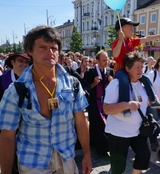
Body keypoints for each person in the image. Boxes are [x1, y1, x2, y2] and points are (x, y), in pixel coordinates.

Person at [0, 25, 92, 173]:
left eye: (54, 48)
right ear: (30, 51)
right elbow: (7, 136)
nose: (50, 52)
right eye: (42, 47)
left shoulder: (73, 84)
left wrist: (87, 154)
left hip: (66, 158)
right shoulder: (17, 90)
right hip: (33, 162)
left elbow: (81, 122)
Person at [103, 52, 151, 174]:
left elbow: (143, 101)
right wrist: (127, 105)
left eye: (142, 66)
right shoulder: (116, 84)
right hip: (119, 133)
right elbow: (106, 109)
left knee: (145, 154)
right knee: (118, 167)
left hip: (138, 130)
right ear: (127, 68)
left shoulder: (142, 83)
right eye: (137, 67)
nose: (141, 70)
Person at [112, 17, 160, 117]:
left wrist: (159, 36)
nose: (133, 30)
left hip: (132, 69)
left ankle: (153, 100)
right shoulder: (116, 42)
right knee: (123, 80)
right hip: (121, 69)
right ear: (122, 29)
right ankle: (125, 107)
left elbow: (146, 39)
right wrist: (120, 40)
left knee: (145, 78)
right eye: (130, 28)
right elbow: (115, 54)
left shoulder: (132, 41)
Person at [84, 50, 113, 158]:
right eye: (104, 60)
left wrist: (112, 82)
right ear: (97, 60)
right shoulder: (90, 72)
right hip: (94, 103)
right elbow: (85, 89)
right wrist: (94, 83)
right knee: (97, 126)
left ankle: (105, 147)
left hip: (107, 102)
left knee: (107, 124)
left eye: (107, 60)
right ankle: (100, 149)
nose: (106, 62)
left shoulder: (110, 71)